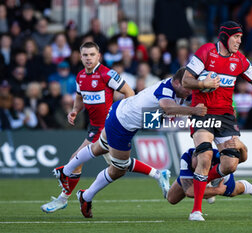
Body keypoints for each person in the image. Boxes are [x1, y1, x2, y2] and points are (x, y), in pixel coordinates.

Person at [182, 20, 252, 221]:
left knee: (230, 164)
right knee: (204, 157)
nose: (239, 41)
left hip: (226, 116)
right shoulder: (206, 52)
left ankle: (206, 181)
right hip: (202, 113)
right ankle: (196, 211)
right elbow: (186, 80)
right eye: (236, 37)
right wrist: (203, 83)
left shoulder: (239, 60)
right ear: (225, 36)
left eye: (240, 38)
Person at [73, 67, 207, 218]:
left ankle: (68, 174)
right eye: (187, 87)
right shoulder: (167, 89)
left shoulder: (179, 90)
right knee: (118, 169)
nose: (190, 91)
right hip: (122, 123)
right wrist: (193, 111)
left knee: (99, 148)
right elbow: (167, 108)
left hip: (123, 113)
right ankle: (85, 195)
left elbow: (159, 114)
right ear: (176, 83)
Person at [40, 41, 134, 213]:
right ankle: (157, 174)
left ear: (99, 56)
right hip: (94, 128)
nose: (88, 58)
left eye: (92, 54)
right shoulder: (80, 76)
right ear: (80, 56)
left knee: (75, 161)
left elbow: (130, 93)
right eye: (85, 55)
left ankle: (64, 199)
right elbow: (79, 97)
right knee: (120, 166)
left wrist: (118, 115)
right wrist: (75, 110)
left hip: (106, 128)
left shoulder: (107, 74)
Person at [167, 138, 252, 209]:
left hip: (218, 177)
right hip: (194, 179)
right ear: (194, 156)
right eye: (195, 164)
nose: (197, 166)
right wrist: (217, 190)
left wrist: (242, 147)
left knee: (233, 191)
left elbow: (242, 159)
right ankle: (208, 188)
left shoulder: (217, 155)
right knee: (172, 198)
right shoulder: (186, 158)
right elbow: (189, 192)